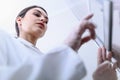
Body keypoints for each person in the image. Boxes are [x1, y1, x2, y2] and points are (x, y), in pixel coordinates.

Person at [0, 5, 96, 80]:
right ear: (19, 20)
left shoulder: (44, 57)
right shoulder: (3, 41)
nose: (43, 20)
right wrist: (67, 48)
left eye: (46, 21)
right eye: (37, 14)